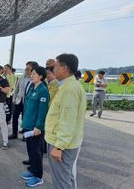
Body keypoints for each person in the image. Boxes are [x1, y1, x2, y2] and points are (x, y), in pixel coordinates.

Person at [45, 53, 87, 189]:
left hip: (62, 144)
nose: (53, 70)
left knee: (61, 183)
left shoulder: (69, 89)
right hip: (64, 143)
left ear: (64, 68)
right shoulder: (69, 85)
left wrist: (59, 147)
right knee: (66, 178)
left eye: (55, 66)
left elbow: (67, 120)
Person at [21, 66, 50, 187]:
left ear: (41, 77)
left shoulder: (43, 90)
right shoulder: (33, 87)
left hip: (35, 128)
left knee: (36, 152)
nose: (31, 75)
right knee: (30, 151)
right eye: (31, 73)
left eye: (34, 74)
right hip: (28, 125)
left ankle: (38, 177)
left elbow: (42, 111)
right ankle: (33, 170)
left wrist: (38, 126)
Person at [9, 62, 31, 140]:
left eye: (28, 69)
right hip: (18, 101)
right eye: (26, 69)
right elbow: (16, 89)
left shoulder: (33, 79)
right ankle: (14, 134)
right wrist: (14, 99)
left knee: (25, 119)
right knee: (14, 117)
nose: (26, 70)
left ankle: (25, 135)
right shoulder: (21, 78)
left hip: (27, 103)